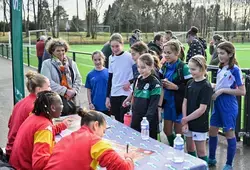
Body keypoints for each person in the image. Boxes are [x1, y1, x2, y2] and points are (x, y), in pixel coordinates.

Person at [44, 109, 135, 170]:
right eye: (103, 131)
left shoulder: (65, 139)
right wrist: (129, 158)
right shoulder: (94, 141)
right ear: (96, 125)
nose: (102, 136)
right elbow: (124, 168)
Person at [9, 91, 72, 170]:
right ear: (53, 108)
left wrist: (62, 126)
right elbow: (39, 163)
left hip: (16, 165)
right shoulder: (44, 128)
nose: (62, 106)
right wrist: (61, 154)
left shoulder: (34, 117)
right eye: (61, 104)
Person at [208, 42, 246, 170]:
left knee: (229, 133)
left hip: (228, 104)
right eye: (218, 53)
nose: (220, 56)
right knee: (212, 130)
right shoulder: (221, 67)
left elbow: (242, 91)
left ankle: (229, 164)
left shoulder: (235, 69)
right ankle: (212, 158)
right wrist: (213, 86)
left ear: (230, 54)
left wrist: (222, 91)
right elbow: (222, 84)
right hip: (218, 103)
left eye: (222, 53)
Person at [5, 71, 51, 161]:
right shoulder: (36, 107)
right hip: (20, 155)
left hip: (11, 150)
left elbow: (10, 125)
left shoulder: (20, 103)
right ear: (39, 89)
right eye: (48, 86)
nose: (50, 89)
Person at [160, 40, 192, 147]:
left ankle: (179, 152)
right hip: (168, 103)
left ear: (177, 53)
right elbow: (158, 79)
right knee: (167, 131)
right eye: (164, 52)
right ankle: (174, 147)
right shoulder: (164, 66)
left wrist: (176, 87)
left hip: (179, 104)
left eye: (169, 53)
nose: (166, 55)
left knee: (179, 133)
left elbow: (191, 86)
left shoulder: (184, 67)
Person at [182, 55, 213, 162]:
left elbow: (202, 109)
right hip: (188, 122)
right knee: (190, 148)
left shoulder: (206, 86)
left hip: (200, 124)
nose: (191, 71)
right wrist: (185, 120)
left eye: (193, 69)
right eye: (190, 69)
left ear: (203, 68)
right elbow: (185, 102)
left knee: (201, 152)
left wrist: (186, 119)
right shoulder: (190, 83)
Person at [123, 54, 161, 139]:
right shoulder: (137, 79)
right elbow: (134, 94)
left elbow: (153, 105)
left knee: (148, 144)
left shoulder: (155, 83)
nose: (140, 70)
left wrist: (146, 120)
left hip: (148, 120)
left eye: (143, 67)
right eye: (138, 67)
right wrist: (128, 102)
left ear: (151, 66)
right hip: (136, 117)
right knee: (135, 140)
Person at [41, 39, 82, 116]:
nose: (61, 53)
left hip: (72, 99)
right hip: (55, 101)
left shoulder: (71, 63)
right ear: (52, 52)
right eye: (58, 51)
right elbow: (47, 82)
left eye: (63, 50)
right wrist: (65, 91)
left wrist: (74, 91)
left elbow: (78, 78)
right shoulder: (47, 64)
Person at [106, 33, 134, 123]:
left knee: (125, 119)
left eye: (117, 46)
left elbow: (139, 73)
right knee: (117, 120)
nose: (115, 49)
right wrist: (107, 97)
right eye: (112, 46)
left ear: (122, 44)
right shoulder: (111, 58)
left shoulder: (130, 57)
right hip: (114, 93)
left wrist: (130, 82)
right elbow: (110, 78)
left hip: (126, 93)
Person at [85, 51, 109, 115]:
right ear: (92, 60)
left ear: (103, 59)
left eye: (99, 59)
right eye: (95, 60)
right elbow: (89, 90)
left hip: (107, 105)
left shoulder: (109, 72)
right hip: (95, 106)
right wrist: (90, 103)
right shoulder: (90, 75)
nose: (97, 62)